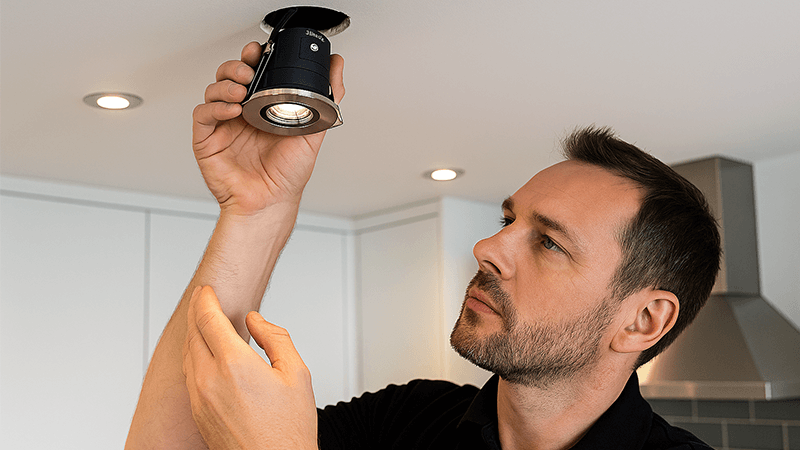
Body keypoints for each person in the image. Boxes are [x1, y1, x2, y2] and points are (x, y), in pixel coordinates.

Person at [126, 42, 720, 450]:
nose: (487, 247)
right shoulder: (409, 422)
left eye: (548, 242)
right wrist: (258, 210)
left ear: (644, 320)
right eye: (507, 220)